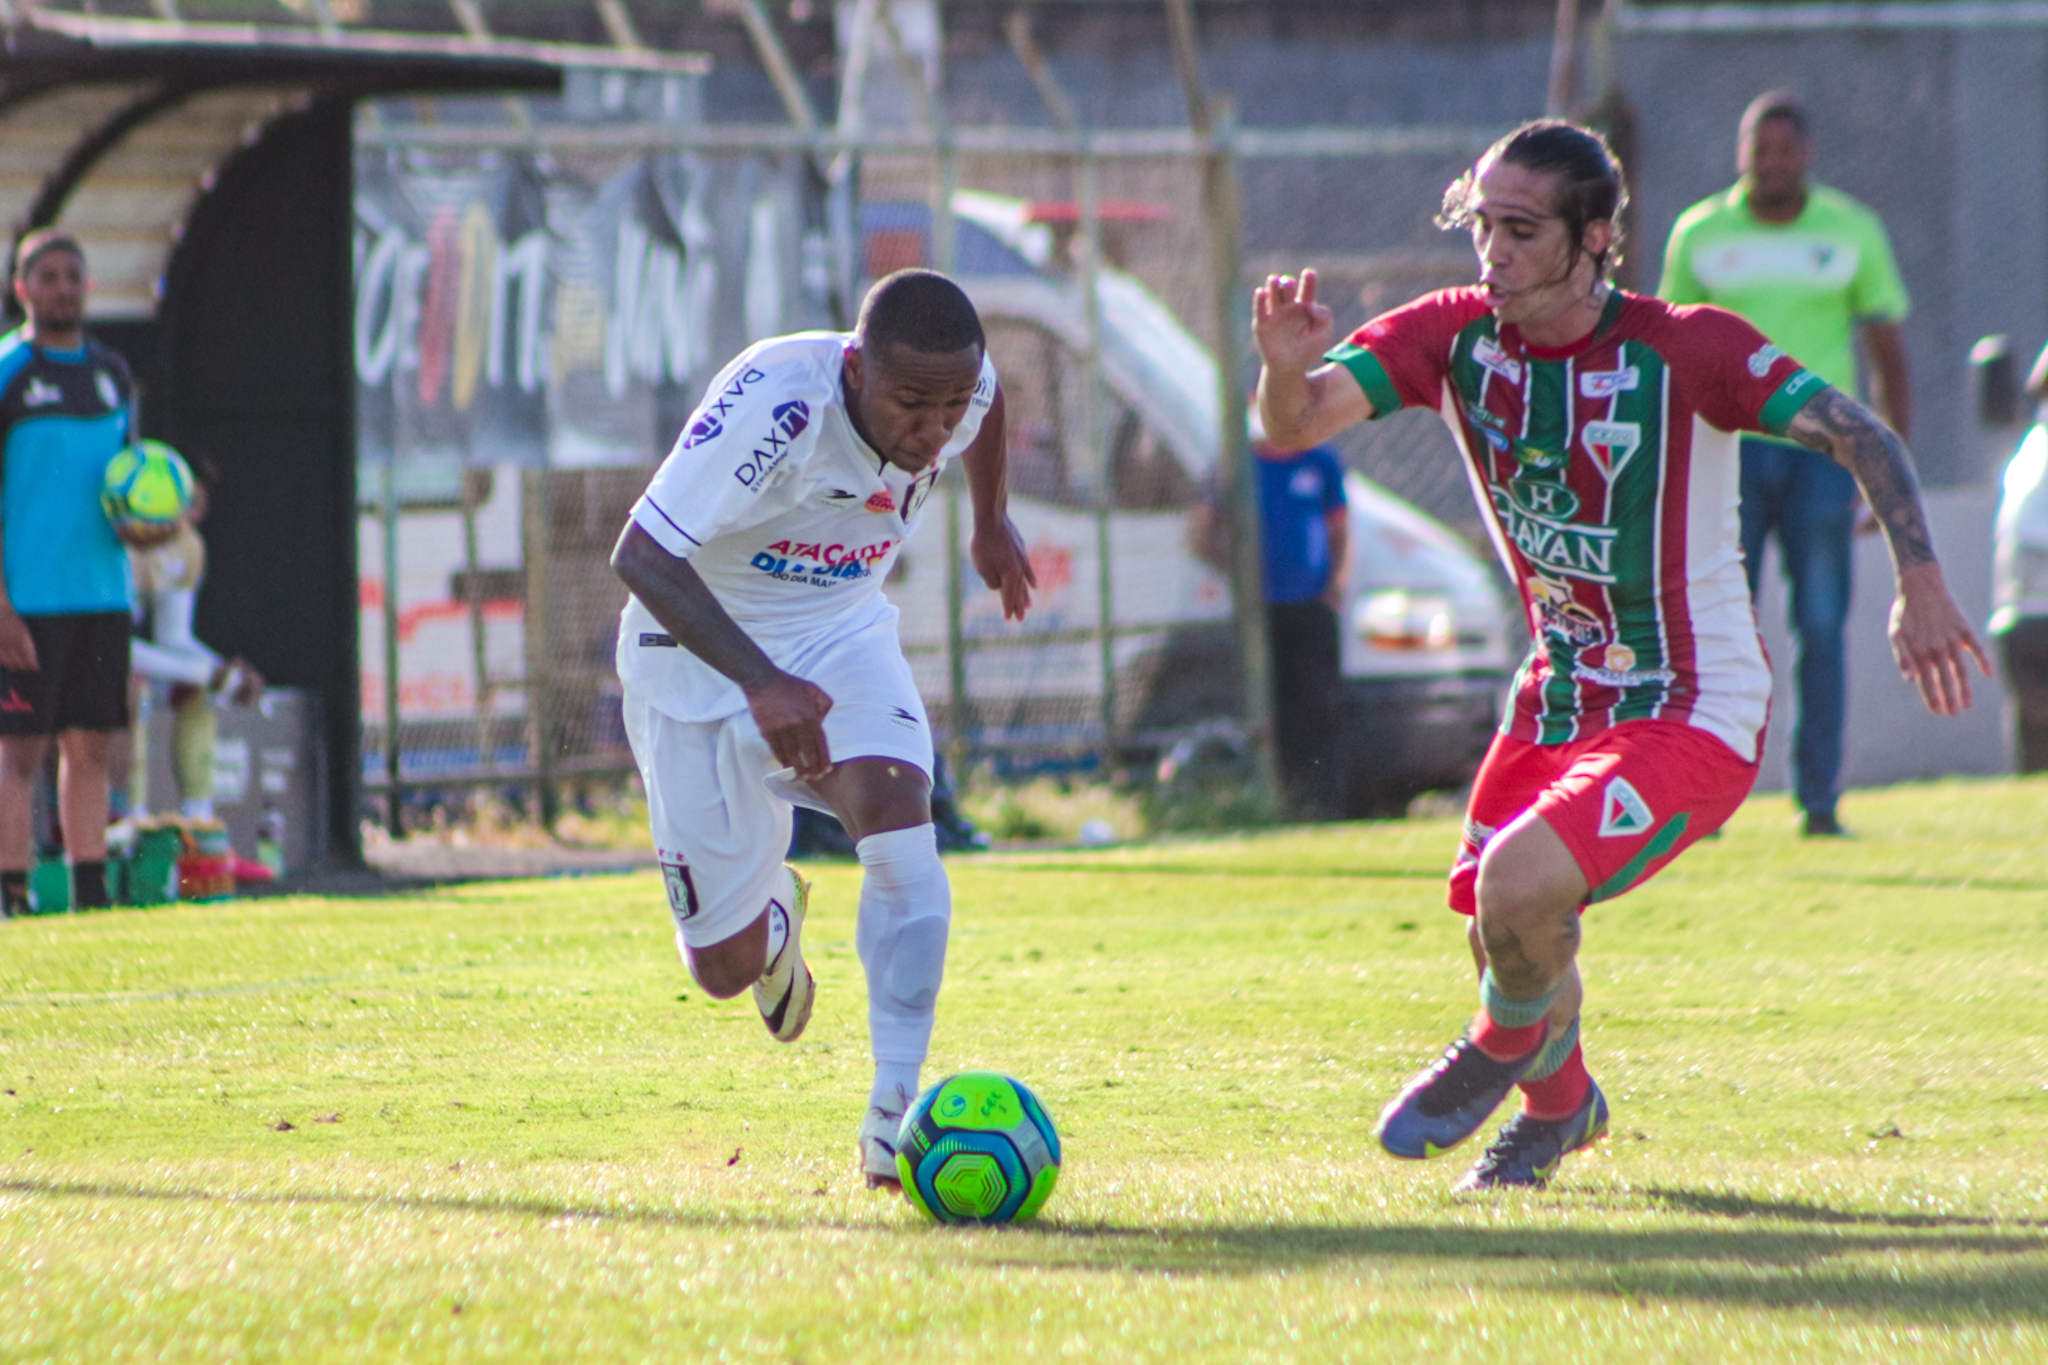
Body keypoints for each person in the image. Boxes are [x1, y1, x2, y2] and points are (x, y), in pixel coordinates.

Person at [1253, 120, 1984, 1190]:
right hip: (1555, 699)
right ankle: (1558, 1110)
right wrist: (1280, 372)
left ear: (1595, 237)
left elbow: (1858, 433)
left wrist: (1919, 583)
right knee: (1504, 922)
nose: (1489, 255)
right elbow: (1293, 426)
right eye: (1479, 228)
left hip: (1691, 707)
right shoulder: (1453, 337)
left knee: (1516, 886)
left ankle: (1496, 1049)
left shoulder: (1687, 348)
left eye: (1518, 230)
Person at [610, 269, 1034, 1187]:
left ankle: (892, 1119)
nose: (934, 430)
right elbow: (639, 553)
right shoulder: (779, 405)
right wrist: (762, 682)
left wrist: (990, 522)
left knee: (900, 824)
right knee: (719, 970)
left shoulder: (964, 392)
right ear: (855, 371)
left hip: (839, 630)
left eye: (950, 404)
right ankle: (769, 926)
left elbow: (988, 412)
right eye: (911, 404)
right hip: (690, 649)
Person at [1659, 92, 1912, 837]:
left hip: (1821, 456)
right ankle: (1705, 797)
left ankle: (1820, 799)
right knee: (1717, 626)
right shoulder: (1700, 234)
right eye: (1758, 151)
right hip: (1725, 456)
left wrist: (1886, 463)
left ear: (1806, 154)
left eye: (1784, 150)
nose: (1771, 163)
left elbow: (1887, 356)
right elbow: (1670, 358)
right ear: (1742, 155)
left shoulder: (1851, 229)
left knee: (1821, 624)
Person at [0, 231, 159, 917]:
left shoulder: (113, 374)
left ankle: (89, 898)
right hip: (28, 596)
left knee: (92, 745)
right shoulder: (9, 372)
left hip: (101, 592)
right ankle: (12, 893)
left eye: (73, 275)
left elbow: (130, 484)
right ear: (22, 289)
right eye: (48, 276)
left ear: (88, 287)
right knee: (19, 751)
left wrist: (153, 521)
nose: (63, 287)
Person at [1189, 418, 1350, 818]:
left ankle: (1323, 807)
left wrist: (1334, 586)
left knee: (1317, 706)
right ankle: (1275, 803)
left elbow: (1340, 530)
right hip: (1261, 613)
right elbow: (1199, 534)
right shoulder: (1236, 468)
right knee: (1269, 707)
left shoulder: (1321, 463)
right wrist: (1242, 575)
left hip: (1311, 606)